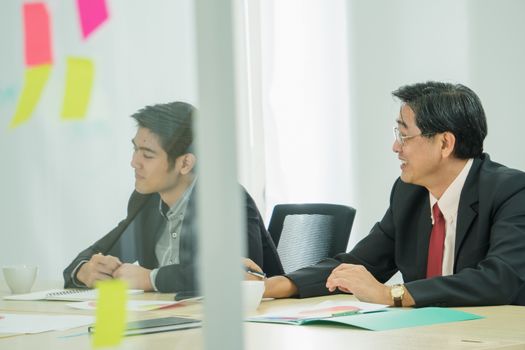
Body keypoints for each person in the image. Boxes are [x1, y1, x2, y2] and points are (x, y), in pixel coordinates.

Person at [246, 81, 525, 307]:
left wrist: (393, 294)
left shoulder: (511, 192)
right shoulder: (409, 193)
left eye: (404, 135)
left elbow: (500, 279)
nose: (395, 147)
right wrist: (269, 286)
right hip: (430, 336)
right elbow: (361, 264)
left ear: (444, 143)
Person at [64, 101, 283, 293]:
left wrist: (151, 279)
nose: (134, 162)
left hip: (244, 327)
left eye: (147, 155)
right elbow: (100, 251)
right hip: (174, 324)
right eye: (135, 150)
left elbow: (238, 272)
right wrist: (84, 270)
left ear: (185, 163)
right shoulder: (146, 201)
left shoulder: (223, 199)